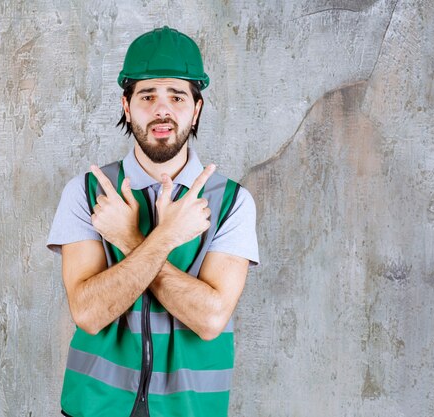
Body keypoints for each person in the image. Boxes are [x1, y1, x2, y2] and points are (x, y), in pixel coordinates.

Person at [47, 26, 259, 417]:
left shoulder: (232, 203)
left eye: (177, 96)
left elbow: (210, 319)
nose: (162, 110)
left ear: (196, 109)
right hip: (93, 407)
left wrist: (132, 237)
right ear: (127, 106)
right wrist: (167, 238)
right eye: (147, 96)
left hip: (191, 410)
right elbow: (89, 314)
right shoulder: (87, 193)